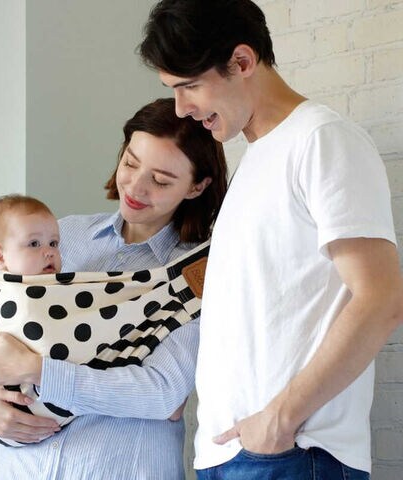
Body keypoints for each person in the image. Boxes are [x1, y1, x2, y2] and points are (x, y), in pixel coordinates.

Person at [139, 1, 403, 479]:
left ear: (242, 61)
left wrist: (279, 421)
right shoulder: (254, 161)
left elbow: (381, 297)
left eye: (189, 86)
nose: (181, 108)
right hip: (234, 454)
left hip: (292, 451)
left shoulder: (321, 139)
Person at [0, 97, 228, 479]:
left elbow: (161, 393)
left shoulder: (194, 276)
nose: (136, 186)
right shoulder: (61, 237)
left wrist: (36, 369)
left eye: (161, 180)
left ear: (197, 187)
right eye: (130, 163)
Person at [0, 194, 62, 275]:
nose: (50, 252)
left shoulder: (60, 282)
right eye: (34, 244)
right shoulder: (1, 286)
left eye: (53, 243)